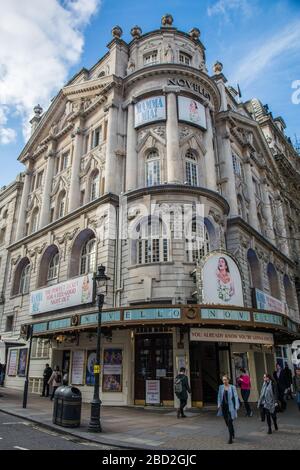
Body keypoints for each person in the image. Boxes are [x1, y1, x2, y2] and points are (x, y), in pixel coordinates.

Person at [217, 374, 240, 444]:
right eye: (223, 380)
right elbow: (219, 396)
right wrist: (218, 404)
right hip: (224, 407)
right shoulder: (221, 387)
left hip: (231, 407)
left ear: (228, 380)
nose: (224, 381)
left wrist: (236, 405)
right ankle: (232, 431)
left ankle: (230, 438)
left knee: (230, 421)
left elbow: (236, 396)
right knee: (227, 423)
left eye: (225, 380)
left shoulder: (232, 387)